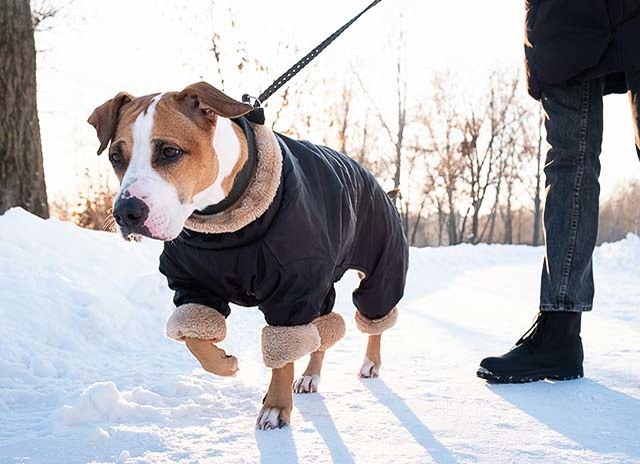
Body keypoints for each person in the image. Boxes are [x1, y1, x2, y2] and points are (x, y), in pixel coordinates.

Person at [477, 0, 640, 383]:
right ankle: (559, 334)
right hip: (566, 18)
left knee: (570, 162)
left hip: (568, 20)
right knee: (570, 161)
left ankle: (560, 332)